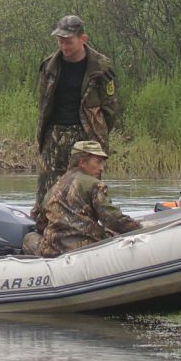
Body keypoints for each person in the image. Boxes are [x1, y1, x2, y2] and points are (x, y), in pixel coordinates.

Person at [31, 14, 120, 221]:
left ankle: (89, 229)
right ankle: (44, 230)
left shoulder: (101, 68)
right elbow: (43, 103)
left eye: (68, 41)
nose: (64, 46)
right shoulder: (49, 66)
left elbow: (110, 109)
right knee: (47, 188)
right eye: (60, 41)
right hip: (54, 134)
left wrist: (97, 135)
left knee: (88, 188)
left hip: (85, 135)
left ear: (83, 39)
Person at [34, 140, 142, 257]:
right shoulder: (94, 184)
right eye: (98, 162)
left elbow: (41, 223)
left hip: (54, 251)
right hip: (85, 249)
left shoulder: (53, 189)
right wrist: (141, 228)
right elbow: (113, 220)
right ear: (82, 162)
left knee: (29, 238)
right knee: (113, 232)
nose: (102, 168)